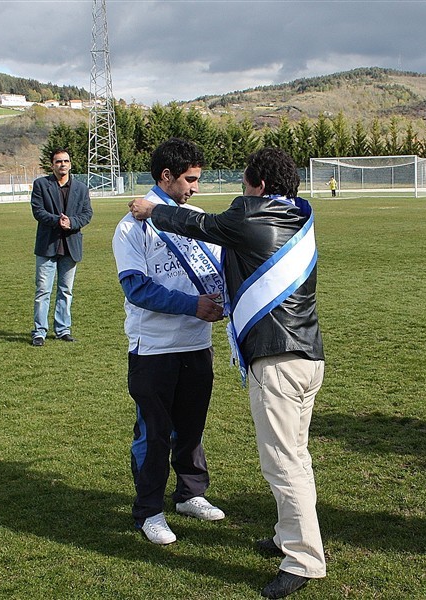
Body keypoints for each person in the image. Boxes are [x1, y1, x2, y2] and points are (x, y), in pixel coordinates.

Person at [129, 147, 325, 598]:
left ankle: (303, 560)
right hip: (308, 356)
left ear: (257, 186)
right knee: (296, 456)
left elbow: (199, 223)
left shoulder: (251, 218)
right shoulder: (297, 216)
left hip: (277, 361)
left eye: (244, 183)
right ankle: (285, 535)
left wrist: (152, 209)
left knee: (284, 464)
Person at [112, 138, 226, 546]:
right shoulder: (132, 225)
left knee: (192, 427)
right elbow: (137, 289)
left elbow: (221, 271)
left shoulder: (195, 217)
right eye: (190, 179)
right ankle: (149, 511)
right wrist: (192, 305)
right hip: (154, 348)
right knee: (154, 432)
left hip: (198, 344)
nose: (195, 188)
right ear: (166, 177)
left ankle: (190, 494)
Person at [30, 148, 92, 346]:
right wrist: (58, 221)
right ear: (52, 165)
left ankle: (62, 329)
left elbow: (87, 214)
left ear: (70, 164)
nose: (62, 164)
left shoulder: (81, 188)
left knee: (66, 291)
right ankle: (39, 332)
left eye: (65, 161)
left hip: (71, 245)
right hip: (48, 245)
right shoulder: (41, 185)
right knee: (43, 291)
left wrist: (71, 223)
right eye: (58, 162)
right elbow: (38, 211)